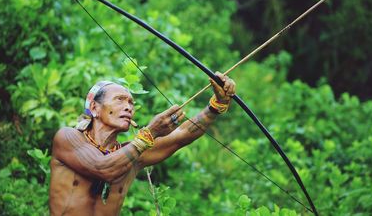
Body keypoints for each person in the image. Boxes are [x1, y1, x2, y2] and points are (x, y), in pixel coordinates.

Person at [49, 72, 236, 215]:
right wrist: (150, 133)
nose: (128, 107)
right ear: (95, 108)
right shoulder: (68, 138)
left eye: (131, 103)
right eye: (119, 100)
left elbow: (182, 134)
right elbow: (103, 168)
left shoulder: (132, 157)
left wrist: (216, 105)